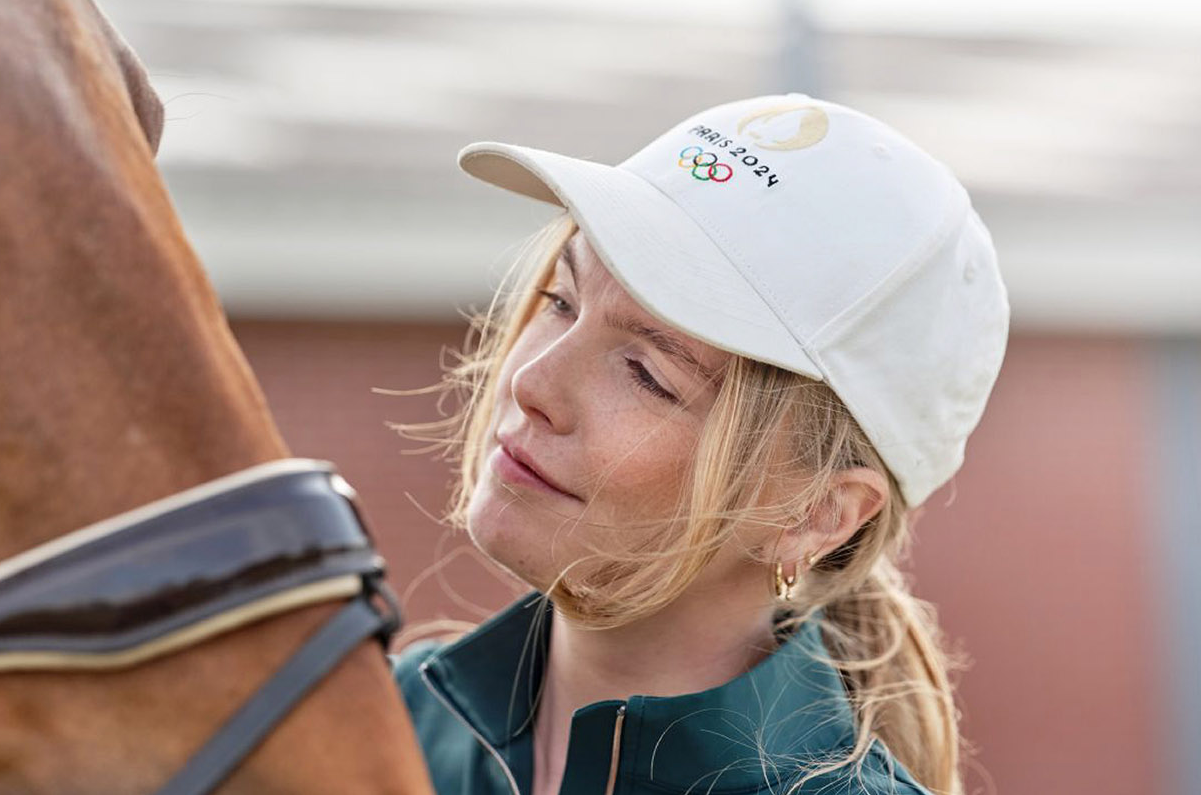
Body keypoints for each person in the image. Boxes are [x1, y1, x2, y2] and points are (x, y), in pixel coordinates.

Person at [390, 94, 1008, 795]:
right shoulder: (378, 728)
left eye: (646, 374)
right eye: (561, 301)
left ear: (815, 515)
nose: (532, 381)